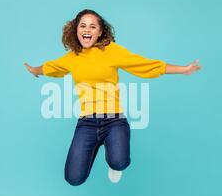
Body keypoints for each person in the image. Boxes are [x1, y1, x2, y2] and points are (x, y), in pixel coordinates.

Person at [24, 9, 201, 186]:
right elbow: (50, 68)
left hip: (114, 121)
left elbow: (145, 65)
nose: (87, 30)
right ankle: (95, 148)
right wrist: (34, 70)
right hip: (87, 123)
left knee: (120, 161)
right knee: (73, 178)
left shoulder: (111, 51)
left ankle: (114, 163)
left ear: (100, 32)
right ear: (76, 30)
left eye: (92, 26)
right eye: (83, 26)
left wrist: (183, 69)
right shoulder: (72, 58)